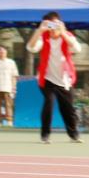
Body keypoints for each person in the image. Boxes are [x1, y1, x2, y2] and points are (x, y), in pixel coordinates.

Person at [26, 12, 82, 144]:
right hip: (47, 78)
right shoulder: (43, 37)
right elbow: (31, 48)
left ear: (60, 23)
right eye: (49, 24)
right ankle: (45, 135)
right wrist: (39, 30)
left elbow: (77, 48)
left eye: (55, 23)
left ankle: (73, 134)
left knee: (68, 108)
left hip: (64, 79)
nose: (52, 27)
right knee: (49, 104)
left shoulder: (67, 36)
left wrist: (63, 32)